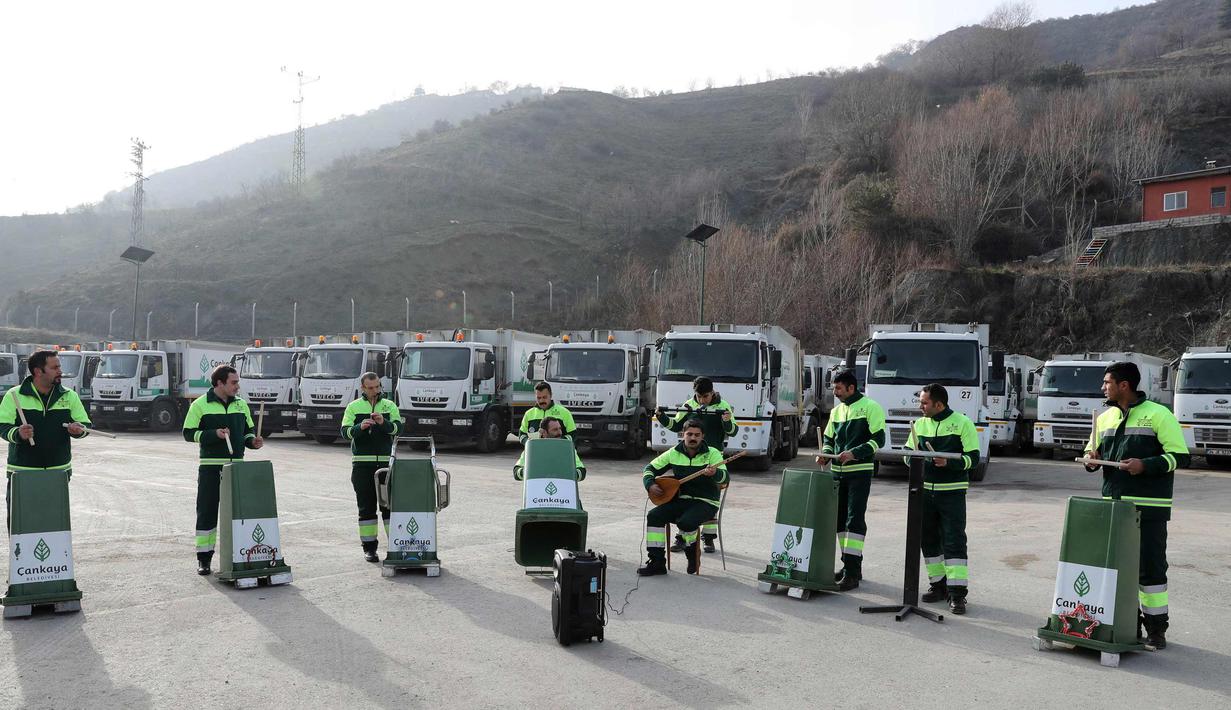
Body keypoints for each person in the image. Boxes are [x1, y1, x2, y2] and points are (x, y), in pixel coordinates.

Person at [1083, 361, 1188, 650]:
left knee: (1150, 570)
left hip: (1149, 509)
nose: (1103, 387)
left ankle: (1156, 629)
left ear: (1123, 385)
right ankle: (1129, 625)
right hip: (1113, 508)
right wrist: (1090, 460)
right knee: (1117, 569)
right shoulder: (1104, 418)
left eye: (1107, 382)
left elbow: (1180, 456)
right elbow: (1091, 454)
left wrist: (1145, 465)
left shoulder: (1158, 414)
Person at [905, 383, 979, 615]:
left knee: (954, 540)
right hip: (925, 492)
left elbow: (973, 459)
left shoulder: (963, 423)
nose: (921, 407)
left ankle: (957, 595)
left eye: (924, 403)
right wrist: (920, 460)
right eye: (920, 402)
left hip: (952, 492)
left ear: (939, 404)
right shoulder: (919, 424)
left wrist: (950, 463)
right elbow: (908, 454)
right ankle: (938, 585)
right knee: (928, 539)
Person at [182, 365, 263, 576]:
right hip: (210, 467)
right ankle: (204, 559)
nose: (237, 386)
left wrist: (253, 442)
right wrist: (213, 434)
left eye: (237, 382)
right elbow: (188, 433)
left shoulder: (241, 405)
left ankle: (240, 557)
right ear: (220, 383)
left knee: (238, 515)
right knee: (207, 512)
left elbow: (247, 433)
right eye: (234, 382)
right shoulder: (200, 405)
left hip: (236, 467)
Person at [1, 350, 91, 529]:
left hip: (58, 471)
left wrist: (77, 430)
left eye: (59, 366)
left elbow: (85, 425)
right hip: (22, 471)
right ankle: (22, 557)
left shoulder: (69, 395)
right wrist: (18, 433)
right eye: (54, 367)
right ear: (38, 371)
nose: (60, 371)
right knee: (22, 523)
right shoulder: (14, 395)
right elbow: (2, 426)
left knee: (53, 523)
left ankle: (55, 558)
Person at [815, 368, 886, 591]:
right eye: (834, 388)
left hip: (859, 472)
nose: (835, 392)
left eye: (838, 388)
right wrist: (825, 454)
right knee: (839, 521)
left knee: (854, 522)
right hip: (837, 473)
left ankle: (852, 573)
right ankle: (849, 565)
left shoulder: (871, 407)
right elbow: (828, 438)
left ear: (851, 388)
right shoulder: (837, 411)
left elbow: (879, 440)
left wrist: (855, 453)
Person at [657, 376, 737, 554]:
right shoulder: (689, 405)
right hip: (690, 460)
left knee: (710, 497)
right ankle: (682, 537)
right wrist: (661, 417)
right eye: (699, 396)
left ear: (712, 393)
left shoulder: (723, 406)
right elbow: (675, 425)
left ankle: (708, 539)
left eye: (706, 396)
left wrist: (726, 420)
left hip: (712, 459)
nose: (702, 400)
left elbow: (733, 430)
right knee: (684, 497)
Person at [638, 419, 729, 576]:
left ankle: (692, 553)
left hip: (706, 502)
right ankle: (657, 562)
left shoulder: (712, 453)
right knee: (654, 516)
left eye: (697, 435)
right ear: (683, 435)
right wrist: (650, 485)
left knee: (686, 522)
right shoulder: (674, 452)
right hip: (682, 500)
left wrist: (715, 473)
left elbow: (725, 478)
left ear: (702, 436)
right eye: (689, 434)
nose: (693, 438)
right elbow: (649, 468)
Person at [341, 372, 404, 563]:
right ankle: (369, 549)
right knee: (366, 509)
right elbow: (345, 432)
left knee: (389, 508)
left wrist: (383, 423)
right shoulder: (353, 407)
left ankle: (396, 546)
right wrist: (360, 427)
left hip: (386, 465)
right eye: (371, 387)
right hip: (362, 465)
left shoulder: (389, 405)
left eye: (378, 387)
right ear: (363, 388)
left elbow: (398, 429)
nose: (375, 390)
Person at [513, 416, 585, 481]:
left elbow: (582, 471)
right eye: (555, 430)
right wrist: (530, 472)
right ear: (543, 432)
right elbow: (516, 472)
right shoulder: (533, 448)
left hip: (563, 491)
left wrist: (567, 474)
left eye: (560, 429)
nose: (559, 432)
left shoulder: (567, 448)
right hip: (537, 492)